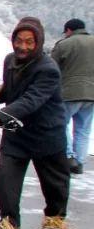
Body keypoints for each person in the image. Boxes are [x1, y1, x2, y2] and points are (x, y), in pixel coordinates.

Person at [0, 17, 71, 229]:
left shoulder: (48, 69)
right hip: (16, 132)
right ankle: (9, 223)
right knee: (5, 179)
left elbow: (31, 100)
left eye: (29, 42)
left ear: (39, 43)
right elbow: (11, 91)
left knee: (54, 183)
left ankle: (55, 218)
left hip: (46, 133)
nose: (23, 46)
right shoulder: (10, 61)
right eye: (19, 41)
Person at [50, 18, 94, 175]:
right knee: (83, 129)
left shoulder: (64, 44)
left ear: (68, 30)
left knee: (62, 124)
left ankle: (69, 157)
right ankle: (80, 162)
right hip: (91, 95)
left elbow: (50, 68)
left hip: (68, 93)